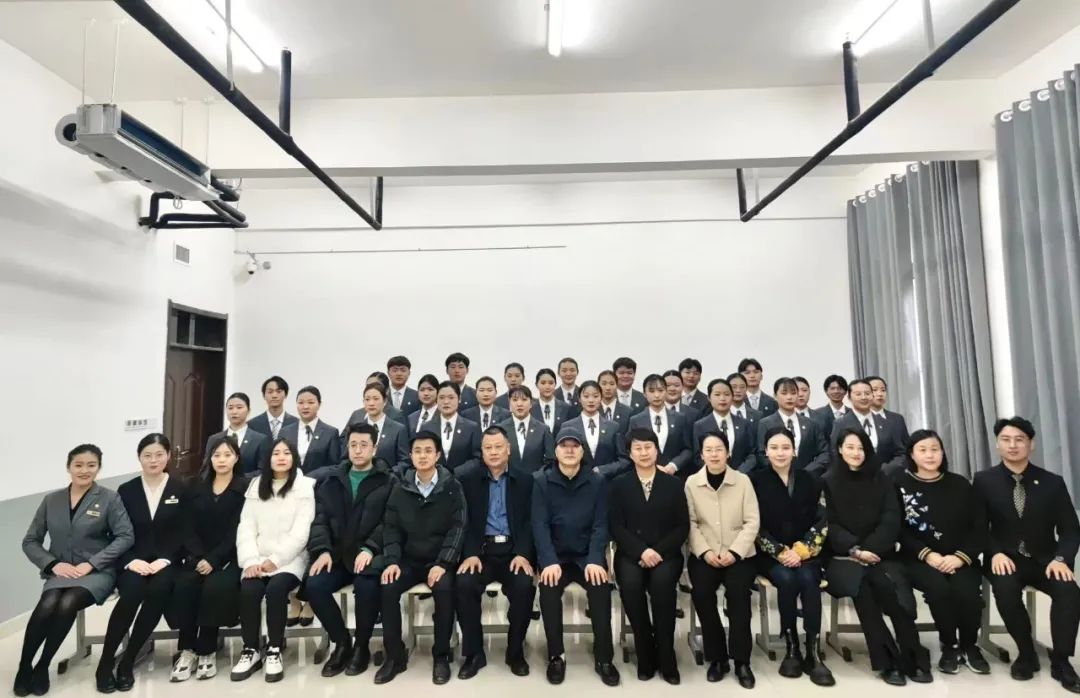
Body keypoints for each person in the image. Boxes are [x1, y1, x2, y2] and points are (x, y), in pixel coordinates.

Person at [18, 445, 133, 697]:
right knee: (48, 603)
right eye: (78, 465)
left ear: (99, 468)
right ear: (68, 467)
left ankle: (43, 665)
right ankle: (24, 666)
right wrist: (52, 564)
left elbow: (125, 536)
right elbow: (30, 541)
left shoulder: (109, 498)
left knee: (67, 602)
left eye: (91, 465)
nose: (84, 470)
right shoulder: (51, 500)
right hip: (61, 571)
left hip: (97, 572)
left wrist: (92, 563)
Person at [974, 417, 1080, 691]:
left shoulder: (1052, 482)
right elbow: (977, 526)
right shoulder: (984, 481)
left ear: (1031, 444)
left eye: (1019, 439)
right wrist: (994, 553)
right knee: (1006, 589)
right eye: (1006, 439)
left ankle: (1061, 660)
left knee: (1069, 591)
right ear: (997, 444)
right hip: (1005, 558)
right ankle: (1026, 652)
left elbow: (1070, 529)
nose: (1013, 445)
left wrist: (1062, 559)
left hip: (1046, 560)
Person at [823, 429, 930, 685]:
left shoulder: (882, 479)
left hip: (882, 554)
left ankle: (913, 655)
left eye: (861, 448)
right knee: (864, 592)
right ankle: (887, 662)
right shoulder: (827, 481)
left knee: (895, 593)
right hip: (844, 559)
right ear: (839, 449)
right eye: (850, 447)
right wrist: (856, 550)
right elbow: (829, 524)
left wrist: (871, 548)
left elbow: (891, 518)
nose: (856, 453)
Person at [96, 434, 189, 693]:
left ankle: (128, 661)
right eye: (147, 455)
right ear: (139, 458)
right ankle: (105, 662)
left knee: (158, 591)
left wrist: (166, 559)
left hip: (167, 562)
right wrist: (130, 561)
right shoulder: (126, 490)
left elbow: (185, 531)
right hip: (133, 560)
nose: (153, 460)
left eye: (159, 454)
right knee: (132, 593)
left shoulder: (181, 488)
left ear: (168, 456)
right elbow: (115, 532)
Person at [893, 430, 990, 676]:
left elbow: (979, 526)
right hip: (920, 558)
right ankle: (949, 645)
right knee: (939, 590)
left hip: (960, 557)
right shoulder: (900, 485)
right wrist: (928, 555)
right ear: (911, 454)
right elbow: (898, 528)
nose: (929, 455)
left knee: (968, 593)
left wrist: (960, 557)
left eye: (935, 449)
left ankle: (969, 645)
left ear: (943, 452)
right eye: (923, 450)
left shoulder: (960, 484)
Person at [375, 431, 466, 685]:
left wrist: (443, 563)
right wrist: (392, 561)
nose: (422, 456)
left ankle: (441, 655)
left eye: (428, 451)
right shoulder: (401, 488)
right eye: (417, 451)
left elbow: (458, 527)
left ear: (438, 455)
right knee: (388, 586)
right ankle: (395, 656)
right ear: (411, 455)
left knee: (445, 590)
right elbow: (391, 527)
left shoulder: (452, 487)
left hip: (439, 561)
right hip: (408, 560)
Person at [532, 427, 619, 686]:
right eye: (564, 446)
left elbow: (601, 524)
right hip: (556, 557)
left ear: (582, 451)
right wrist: (548, 561)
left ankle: (604, 657)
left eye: (574, 446)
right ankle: (556, 655)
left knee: (600, 589)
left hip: (585, 556)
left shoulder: (597, 481)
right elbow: (539, 525)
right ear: (555, 451)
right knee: (548, 591)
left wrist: (594, 559)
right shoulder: (542, 481)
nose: (569, 451)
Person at [305, 423, 394, 678]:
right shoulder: (332, 480)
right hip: (336, 554)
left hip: (370, 555)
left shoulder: (387, 481)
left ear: (374, 448)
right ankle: (342, 642)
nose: (358, 450)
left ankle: (362, 646)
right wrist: (322, 550)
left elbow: (389, 521)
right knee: (315, 585)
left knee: (366, 587)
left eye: (364, 445)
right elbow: (320, 519)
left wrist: (370, 548)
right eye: (353, 445)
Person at [751, 427, 834, 686]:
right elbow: (753, 523)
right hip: (771, 554)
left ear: (794, 451)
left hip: (806, 553)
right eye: (774, 448)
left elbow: (823, 520)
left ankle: (813, 651)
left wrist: (802, 550)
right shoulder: (755, 481)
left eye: (785, 447)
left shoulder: (811, 480)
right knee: (786, 580)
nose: (780, 453)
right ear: (766, 451)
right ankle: (792, 646)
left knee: (809, 580)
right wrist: (779, 551)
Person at [230, 438, 316, 683]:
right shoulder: (256, 486)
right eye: (276, 453)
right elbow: (246, 527)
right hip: (257, 558)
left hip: (291, 559)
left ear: (294, 458)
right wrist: (250, 561)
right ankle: (250, 649)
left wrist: (276, 560)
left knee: (276, 589)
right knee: (249, 589)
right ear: (268, 458)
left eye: (286, 453)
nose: (281, 457)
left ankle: (274, 649)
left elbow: (301, 532)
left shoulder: (304, 486)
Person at [455, 427, 537, 679]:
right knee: (464, 584)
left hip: (513, 552)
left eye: (498, 447)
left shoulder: (525, 480)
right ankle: (474, 653)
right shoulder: (467, 480)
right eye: (488, 448)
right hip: (480, 552)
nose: (493, 452)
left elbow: (530, 522)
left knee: (524, 586)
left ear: (508, 449)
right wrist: (470, 553)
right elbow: (463, 521)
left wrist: (523, 553)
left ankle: (515, 652)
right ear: (482, 451)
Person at [609, 428, 689, 684]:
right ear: (630, 453)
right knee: (631, 586)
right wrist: (641, 551)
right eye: (638, 448)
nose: (643, 453)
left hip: (666, 554)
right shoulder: (619, 484)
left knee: (663, 586)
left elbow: (682, 526)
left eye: (648, 447)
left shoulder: (674, 484)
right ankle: (644, 651)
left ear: (657, 450)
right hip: (631, 553)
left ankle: (666, 654)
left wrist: (657, 551)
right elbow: (616, 526)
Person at [167, 435, 247, 682]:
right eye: (216, 455)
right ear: (209, 458)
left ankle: (207, 650)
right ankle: (187, 649)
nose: (221, 460)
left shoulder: (244, 488)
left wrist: (214, 559)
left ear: (236, 458)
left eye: (227, 455)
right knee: (185, 585)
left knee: (215, 587)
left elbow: (238, 529)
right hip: (196, 555)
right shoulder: (194, 486)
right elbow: (186, 526)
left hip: (229, 557)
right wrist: (198, 555)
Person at [685, 431, 760, 687]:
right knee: (702, 594)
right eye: (709, 450)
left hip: (739, 555)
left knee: (739, 596)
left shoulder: (743, 481)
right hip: (704, 554)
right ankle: (717, 657)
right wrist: (705, 552)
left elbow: (752, 522)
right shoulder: (691, 483)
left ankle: (741, 660)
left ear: (728, 453)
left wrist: (735, 552)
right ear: (701, 455)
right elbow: (690, 523)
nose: (714, 454)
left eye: (719, 449)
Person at [830, 378, 907, 475]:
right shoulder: (841, 423)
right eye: (858, 394)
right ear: (849, 397)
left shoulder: (886, 422)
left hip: (886, 477)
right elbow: (835, 453)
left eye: (867, 393)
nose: (863, 397)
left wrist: (887, 469)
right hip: (854, 478)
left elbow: (901, 453)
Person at [755, 378, 829, 476]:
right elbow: (761, 454)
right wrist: (781, 470)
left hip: (807, 477)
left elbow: (824, 453)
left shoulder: (811, 424)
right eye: (784, 393)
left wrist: (807, 472)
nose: (789, 397)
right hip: (776, 477)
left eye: (793, 393)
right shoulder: (765, 423)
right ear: (775, 396)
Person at [629, 374, 691, 476]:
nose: (657, 395)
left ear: (666, 391)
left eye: (660, 390)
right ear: (644, 394)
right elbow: (630, 449)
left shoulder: (680, 418)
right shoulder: (636, 420)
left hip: (675, 475)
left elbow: (687, 449)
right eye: (652, 391)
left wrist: (673, 465)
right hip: (645, 474)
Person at [691, 378, 756, 475]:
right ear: (709, 398)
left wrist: (738, 473)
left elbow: (752, 454)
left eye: (727, 394)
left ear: (732, 397)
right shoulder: (700, 425)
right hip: (712, 476)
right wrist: (716, 471)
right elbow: (697, 456)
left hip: (740, 476)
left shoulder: (744, 424)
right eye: (717, 394)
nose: (722, 398)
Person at [341, 382, 410, 472]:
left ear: (385, 401)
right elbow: (345, 459)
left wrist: (388, 474)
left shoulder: (398, 429)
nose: (371, 403)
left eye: (376, 399)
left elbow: (405, 461)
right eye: (367, 399)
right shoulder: (355, 429)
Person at [570, 380, 630, 479]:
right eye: (586, 396)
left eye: (595, 396)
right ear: (579, 399)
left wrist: (603, 470)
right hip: (577, 481)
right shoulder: (569, 426)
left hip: (607, 481)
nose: (591, 400)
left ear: (601, 398)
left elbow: (624, 460)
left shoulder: (613, 427)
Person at [419, 381, 482, 472]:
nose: (446, 402)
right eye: (441, 398)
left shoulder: (472, 427)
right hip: (435, 478)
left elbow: (477, 459)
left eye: (451, 397)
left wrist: (456, 473)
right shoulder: (426, 427)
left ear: (459, 399)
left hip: (463, 478)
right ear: (436, 400)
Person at [280, 385, 341, 477]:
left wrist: (312, 477)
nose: (305, 407)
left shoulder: (330, 433)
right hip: (289, 482)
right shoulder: (285, 432)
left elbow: (335, 466)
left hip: (319, 483)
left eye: (311, 402)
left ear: (319, 404)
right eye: (301, 403)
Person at [205, 392, 269, 474]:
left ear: (249, 411)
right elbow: (206, 468)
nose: (234, 412)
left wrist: (237, 479)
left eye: (239, 407)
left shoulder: (260, 440)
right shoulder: (214, 439)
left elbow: (262, 471)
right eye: (230, 408)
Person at [502, 385, 555, 474]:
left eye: (524, 399)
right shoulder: (501, 429)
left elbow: (551, 460)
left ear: (531, 403)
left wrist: (540, 476)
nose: (519, 404)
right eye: (515, 400)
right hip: (508, 479)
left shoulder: (543, 429)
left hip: (536, 480)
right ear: (509, 403)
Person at [532, 368, 570, 434]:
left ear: (555, 384)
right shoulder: (530, 409)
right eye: (543, 383)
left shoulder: (566, 408)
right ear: (536, 385)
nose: (547, 387)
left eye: (551, 383)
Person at [598, 370, 632, 435]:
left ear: (617, 385)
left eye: (612, 384)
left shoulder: (628, 412)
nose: (608, 388)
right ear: (598, 386)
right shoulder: (593, 410)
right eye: (604, 384)